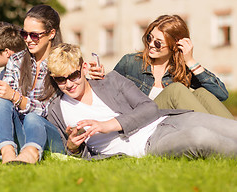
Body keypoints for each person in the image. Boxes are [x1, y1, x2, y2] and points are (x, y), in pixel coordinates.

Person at [46, 43, 237, 159]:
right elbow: (68, 152)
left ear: (84, 68)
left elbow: (150, 107)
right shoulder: (57, 110)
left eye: (73, 76)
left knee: (231, 128)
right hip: (148, 144)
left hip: (166, 121)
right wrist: (73, 147)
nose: (69, 84)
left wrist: (108, 125)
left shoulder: (111, 80)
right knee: (200, 137)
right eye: (60, 79)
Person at [91, 15, 234, 119]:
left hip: (171, 125)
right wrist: (102, 78)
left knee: (202, 93)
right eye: (149, 38)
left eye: (158, 42)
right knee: (176, 90)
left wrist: (190, 61)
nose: (151, 44)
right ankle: (217, 135)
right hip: (142, 123)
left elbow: (221, 94)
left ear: (174, 46)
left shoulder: (181, 70)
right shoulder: (131, 62)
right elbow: (108, 96)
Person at [0, 5, 65, 164]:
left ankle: (31, 154)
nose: (28, 39)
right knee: (0, 101)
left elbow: (48, 111)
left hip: (47, 132)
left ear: (51, 34)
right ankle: (7, 153)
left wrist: (15, 97)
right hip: (20, 130)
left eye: (34, 35)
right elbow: (7, 98)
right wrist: (1, 91)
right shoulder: (17, 60)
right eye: (24, 34)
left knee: (32, 118)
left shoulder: (61, 63)